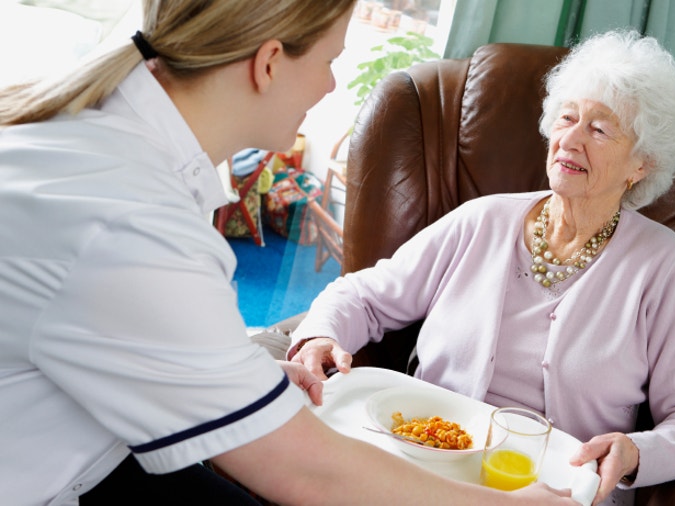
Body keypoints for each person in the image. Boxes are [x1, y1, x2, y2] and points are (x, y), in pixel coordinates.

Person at [0, 1, 578, 505]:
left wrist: (227, 375)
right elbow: (306, 474)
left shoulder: (99, 138)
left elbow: (104, 323)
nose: (331, 86)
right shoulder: (137, 221)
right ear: (269, 61)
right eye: (329, 61)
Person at [288, 30, 675, 505]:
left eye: (599, 130)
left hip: (557, 493)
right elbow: (364, 295)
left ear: (641, 164)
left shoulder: (660, 264)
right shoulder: (483, 219)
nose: (570, 140)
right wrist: (320, 336)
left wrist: (635, 452)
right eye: (566, 118)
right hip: (425, 466)